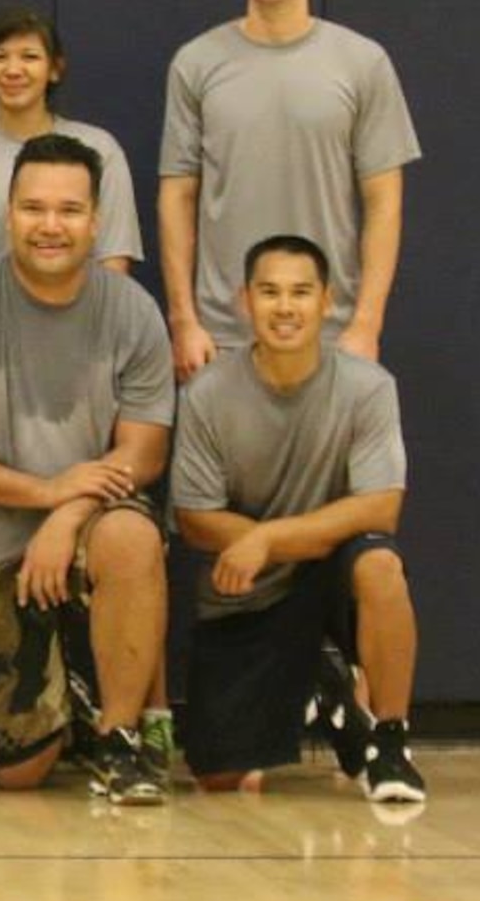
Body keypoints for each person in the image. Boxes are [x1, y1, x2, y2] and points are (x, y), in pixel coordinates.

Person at [0, 133, 174, 805]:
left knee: (133, 536)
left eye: (70, 210)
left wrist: (69, 511)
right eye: (34, 209)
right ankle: (62, 706)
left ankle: (120, 736)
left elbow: (145, 452)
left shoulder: (132, 310)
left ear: (96, 220)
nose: (51, 226)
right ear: (10, 212)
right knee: (21, 773)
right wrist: (45, 491)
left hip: (83, 532)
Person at [173, 235, 425, 802]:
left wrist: (267, 537)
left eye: (300, 293)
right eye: (270, 292)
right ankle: (326, 690)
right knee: (218, 777)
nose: (285, 307)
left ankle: (390, 741)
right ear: (244, 302)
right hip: (248, 590)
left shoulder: (368, 388)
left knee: (380, 563)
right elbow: (195, 518)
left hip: (332, 572)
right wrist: (263, 546)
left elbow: (382, 507)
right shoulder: (207, 395)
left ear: (327, 301)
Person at [158, 0, 421, 381]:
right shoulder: (196, 63)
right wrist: (184, 320)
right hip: (222, 334)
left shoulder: (363, 63)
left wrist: (366, 322)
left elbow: (384, 201)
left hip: (330, 329)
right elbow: (177, 196)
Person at [0, 6, 142, 293]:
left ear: (54, 69)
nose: (13, 70)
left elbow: (113, 266)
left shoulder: (101, 150)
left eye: (29, 57)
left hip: (80, 332)